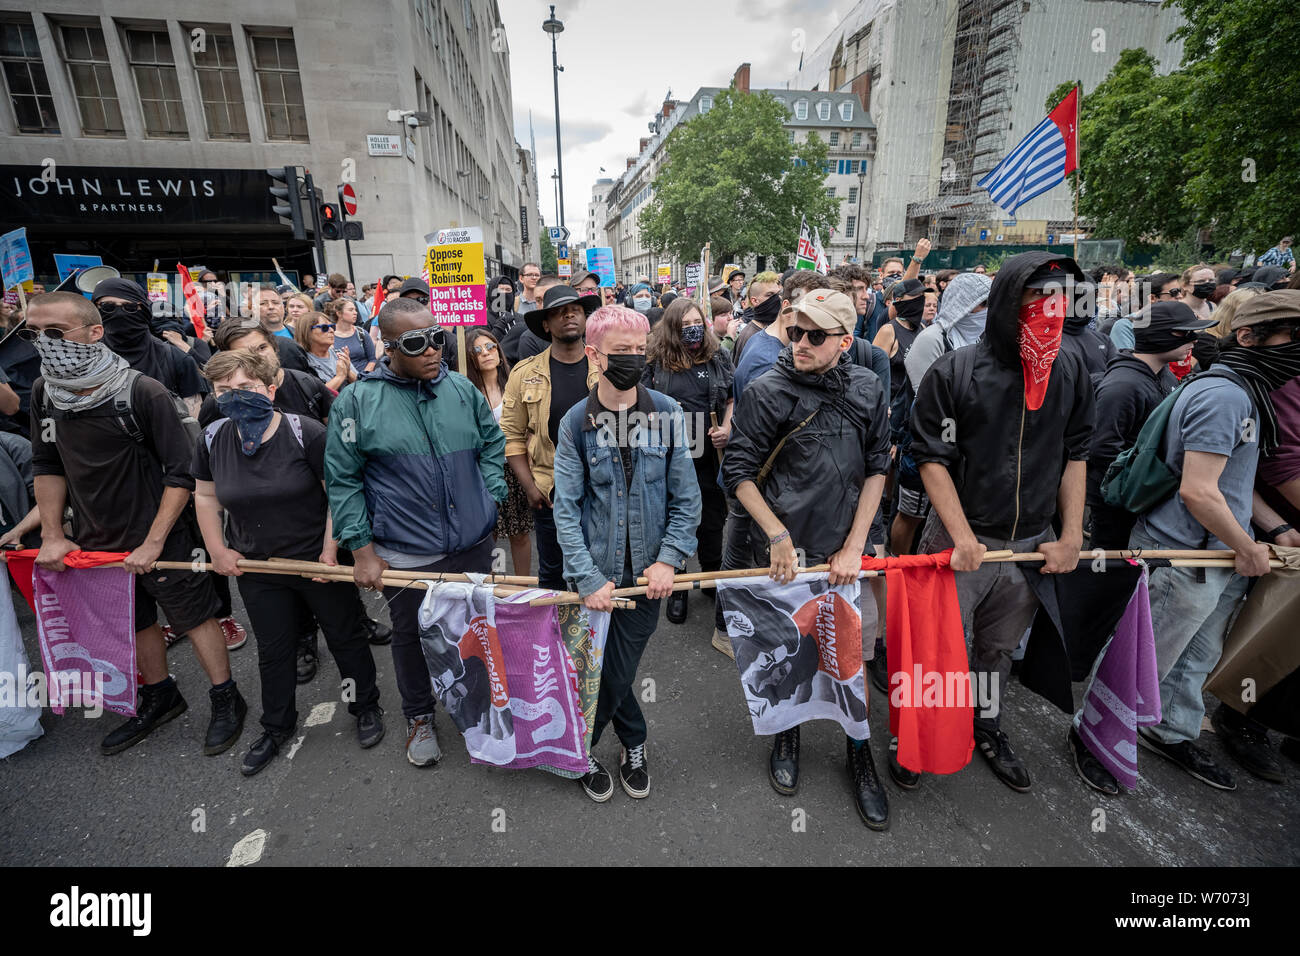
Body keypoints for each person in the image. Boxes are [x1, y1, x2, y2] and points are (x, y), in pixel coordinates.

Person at [26, 292, 246, 756]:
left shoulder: (141, 391)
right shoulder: (44, 393)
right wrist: (52, 534)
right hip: (95, 541)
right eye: (33, 333)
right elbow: (48, 465)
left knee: (194, 618)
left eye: (55, 333)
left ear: (93, 333)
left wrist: (153, 541)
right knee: (135, 621)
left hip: (160, 537)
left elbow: (181, 471)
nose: (44, 344)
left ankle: (226, 697)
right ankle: (160, 695)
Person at [910, 252, 1095, 794]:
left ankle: (985, 725)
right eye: (1037, 298)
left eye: (1060, 300)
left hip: (1031, 546)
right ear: (1008, 302)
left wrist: (1069, 535)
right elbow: (931, 459)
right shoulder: (956, 371)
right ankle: (918, 736)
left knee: (996, 650)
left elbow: (1075, 453)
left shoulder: (1069, 370)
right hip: (959, 542)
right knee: (935, 649)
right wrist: (962, 538)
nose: (1049, 311)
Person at [1108, 291, 1300, 792]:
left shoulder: (1251, 393)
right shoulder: (1225, 396)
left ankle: (1168, 730)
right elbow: (1198, 490)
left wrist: (1271, 530)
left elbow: (1234, 480)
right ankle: (1101, 738)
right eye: (1293, 338)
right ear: (1249, 337)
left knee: (1194, 656)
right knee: (1145, 660)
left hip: (1214, 557)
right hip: (1184, 555)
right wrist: (1249, 546)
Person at [721, 289, 891, 829]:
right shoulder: (766, 390)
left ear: (845, 341)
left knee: (851, 660)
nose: (801, 343)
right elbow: (738, 471)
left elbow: (876, 469)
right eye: (795, 331)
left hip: (844, 558)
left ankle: (859, 752)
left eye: (816, 336)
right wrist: (775, 535)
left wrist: (855, 546)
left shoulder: (867, 386)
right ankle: (787, 736)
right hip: (782, 562)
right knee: (787, 654)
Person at [326, 298, 506, 766]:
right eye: (415, 343)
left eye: (437, 338)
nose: (432, 350)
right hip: (405, 552)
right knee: (410, 635)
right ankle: (419, 715)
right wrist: (362, 552)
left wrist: (489, 495)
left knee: (474, 628)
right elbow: (342, 482)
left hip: (471, 543)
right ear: (388, 346)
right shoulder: (355, 402)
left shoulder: (462, 391)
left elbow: (492, 442)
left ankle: (479, 707)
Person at [193, 350, 384, 775]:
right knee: (274, 650)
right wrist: (219, 551)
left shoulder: (306, 432)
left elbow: (338, 492)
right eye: (223, 391)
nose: (233, 397)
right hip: (258, 568)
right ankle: (276, 726)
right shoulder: (211, 438)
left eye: (244, 388)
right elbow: (205, 497)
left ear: (270, 388)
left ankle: (364, 707)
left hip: (318, 560)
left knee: (345, 637)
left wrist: (330, 551)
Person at [553, 305, 701, 802]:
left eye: (640, 350)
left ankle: (578, 746)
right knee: (598, 669)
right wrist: (587, 577)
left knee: (614, 670)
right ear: (594, 356)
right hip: (594, 576)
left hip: (647, 580)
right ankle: (630, 741)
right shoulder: (575, 423)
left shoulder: (668, 414)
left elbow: (687, 499)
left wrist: (670, 558)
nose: (635, 360)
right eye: (622, 352)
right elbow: (566, 511)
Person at [1085, 302, 1217, 550]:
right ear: (1157, 335)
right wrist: (1140, 484)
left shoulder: (1164, 373)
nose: (1194, 340)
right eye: (1183, 333)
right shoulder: (1123, 386)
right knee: (1112, 568)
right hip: (1120, 501)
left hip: (1147, 497)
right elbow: (1101, 448)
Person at [499, 284, 600, 590]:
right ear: (546, 323)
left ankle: (594, 634)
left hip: (601, 488)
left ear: (585, 319)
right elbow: (511, 435)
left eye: (576, 310)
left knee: (599, 567)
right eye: (559, 312)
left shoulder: (606, 366)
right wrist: (529, 486)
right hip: (549, 491)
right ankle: (552, 634)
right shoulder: (523, 373)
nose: (569, 316)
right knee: (553, 572)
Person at [643, 297, 733, 625]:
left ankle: (710, 575)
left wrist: (726, 426)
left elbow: (732, 396)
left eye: (697, 323)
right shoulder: (655, 359)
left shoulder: (718, 355)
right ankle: (678, 586)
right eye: (685, 326)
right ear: (672, 329)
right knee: (675, 516)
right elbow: (640, 403)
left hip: (710, 450)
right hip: (672, 450)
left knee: (711, 516)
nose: (693, 330)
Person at [464, 326, 533, 576]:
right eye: (478, 349)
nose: (486, 353)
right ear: (469, 356)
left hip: (515, 467)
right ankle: (490, 589)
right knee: (487, 534)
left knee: (520, 533)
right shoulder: (465, 392)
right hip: (481, 471)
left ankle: (523, 590)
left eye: (491, 346)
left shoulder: (515, 383)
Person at [91, 279, 206, 419]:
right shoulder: (84, 359)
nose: (119, 313)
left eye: (130, 307)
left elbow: (193, 423)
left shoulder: (177, 359)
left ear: (144, 310)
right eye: (107, 307)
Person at [1109, 272, 1181, 351]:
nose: (1180, 296)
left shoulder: (1180, 321)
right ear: (1152, 298)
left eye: (1180, 291)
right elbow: (1126, 360)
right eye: (1174, 292)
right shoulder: (1127, 326)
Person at [501, 274, 561, 364]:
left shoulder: (579, 328)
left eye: (549, 298)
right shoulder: (523, 331)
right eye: (538, 300)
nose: (543, 304)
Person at [294, 312, 356, 393]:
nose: (331, 330)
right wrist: (339, 377)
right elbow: (315, 395)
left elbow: (359, 383)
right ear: (307, 332)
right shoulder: (303, 362)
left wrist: (348, 371)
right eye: (324, 327)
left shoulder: (339, 354)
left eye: (332, 326)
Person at [730, 272, 782, 365]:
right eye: (770, 295)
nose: (777, 299)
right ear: (754, 301)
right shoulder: (749, 336)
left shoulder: (776, 329)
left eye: (777, 294)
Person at [324, 298, 376, 373]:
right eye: (351, 310)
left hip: (364, 378)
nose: (355, 313)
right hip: (342, 379)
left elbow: (372, 359)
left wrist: (363, 376)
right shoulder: (329, 336)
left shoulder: (361, 333)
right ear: (339, 313)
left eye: (355, 310)